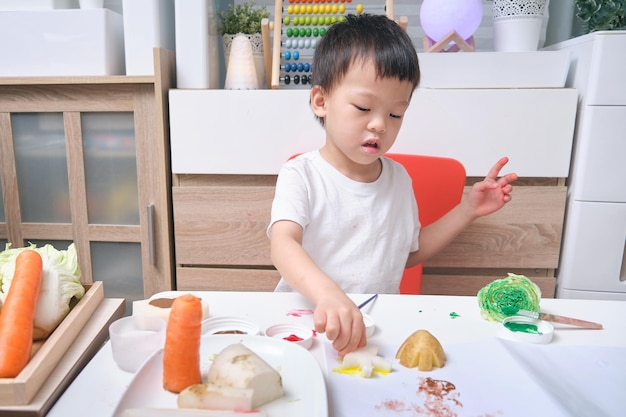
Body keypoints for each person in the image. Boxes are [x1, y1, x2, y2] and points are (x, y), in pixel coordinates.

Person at [267, 14, 518, 357]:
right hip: (305, 325)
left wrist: (468, 210)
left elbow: (409, 253)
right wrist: (327, 294)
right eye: (364, 107)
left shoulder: (399, 179)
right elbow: (283, 246)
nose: (379, 125)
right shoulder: (302, 174)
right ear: (321, 102)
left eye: (395, 114)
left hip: (375, 327)